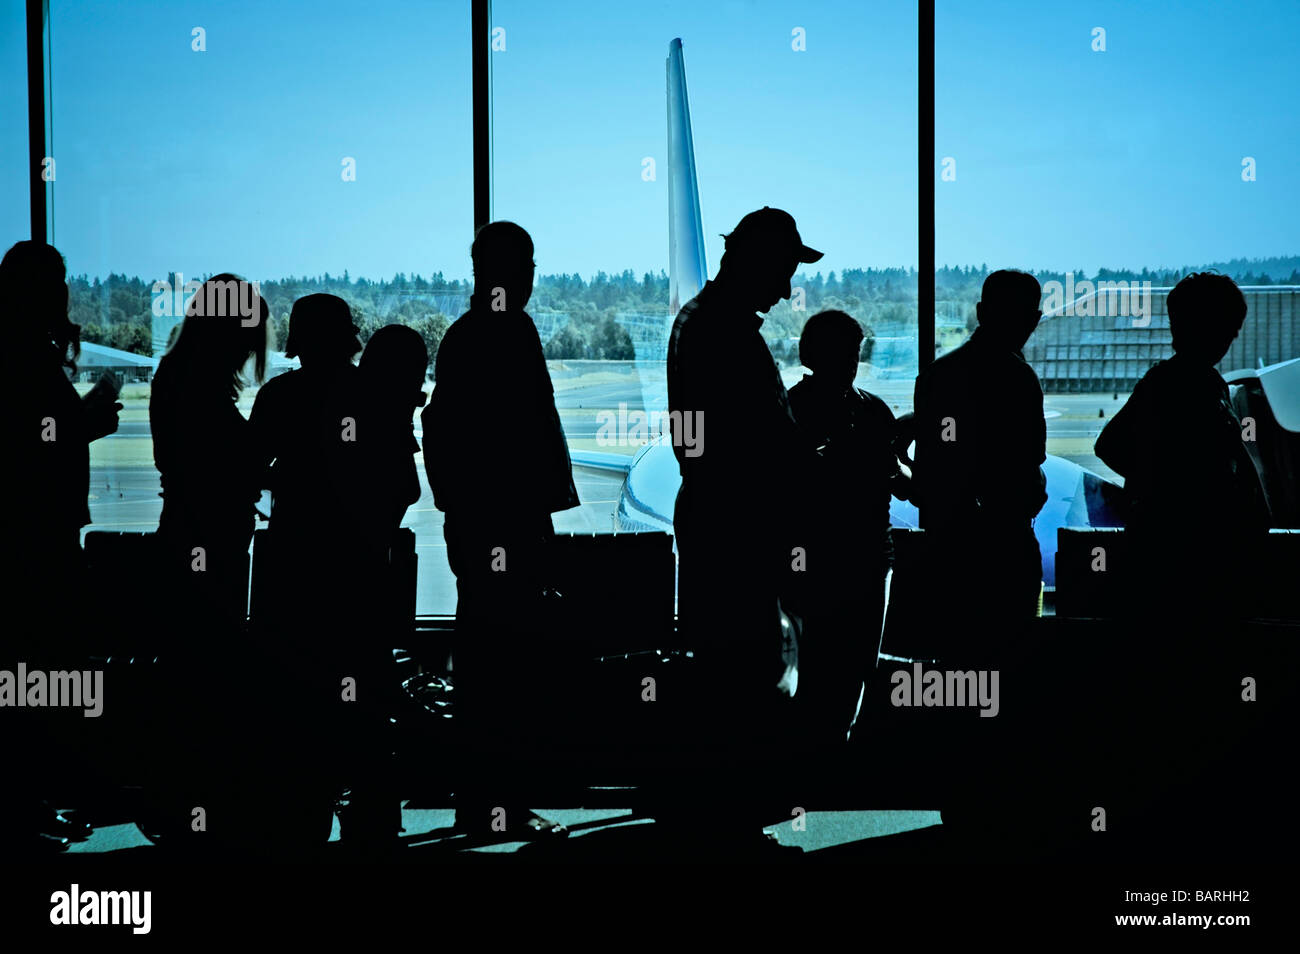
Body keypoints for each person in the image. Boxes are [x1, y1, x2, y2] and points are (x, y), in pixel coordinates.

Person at [665, 207, 821, 846]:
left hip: (721, 524)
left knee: (729, 669)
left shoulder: (704, 324)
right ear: (757, 262)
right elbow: (731, 448)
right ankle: (726, 821)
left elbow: (695, 442)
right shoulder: (721, 331)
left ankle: (719, 816)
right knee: (741, 671)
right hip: (737, 532)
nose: (787, 289)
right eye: (784, 270)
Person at [421, 221, 578, 840]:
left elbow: (446, 436)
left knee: (490, 663)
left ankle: (486, 802)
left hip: (486, 523)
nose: (532, 277)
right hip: (504, 525)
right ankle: (498, 805)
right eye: (528, 265)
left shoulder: (469, 337)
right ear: (508, 271)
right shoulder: (505, 333)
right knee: (504, 666)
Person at [5, 240, 119, 855]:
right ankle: (26, 808)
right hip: (37, 542)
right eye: (60, 283)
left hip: (32, 537)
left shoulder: (21, 354)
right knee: (42, 671)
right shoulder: (27, 358)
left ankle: (27, 806)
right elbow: (31, 447)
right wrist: (85, 423)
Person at [1095, 271, 1270, 620]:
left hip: (1181, 551)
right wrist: (1176, 486)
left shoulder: (1194, 382)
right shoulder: (1177, 382)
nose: (1230, 338)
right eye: (1228, 328)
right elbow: (1110, 445)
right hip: (1190, 556)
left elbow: (1112, 446)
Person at [787, 310, 908, 745]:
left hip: (855, 558)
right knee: (830, 662)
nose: (850, 362)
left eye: (853, 353)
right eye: (843, 353)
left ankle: (825, 750)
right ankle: (827, 751)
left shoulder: (792, 408)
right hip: (849, 558)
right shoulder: (869, 411)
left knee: (847, 662)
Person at [912, 269, 1047, 646]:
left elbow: (931, 470)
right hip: (1005, 545)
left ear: (980, 311)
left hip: (950, 546)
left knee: (958, 659)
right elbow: (1030, 458)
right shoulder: (1018, 378)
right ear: (1033, 320)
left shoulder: (938, 375)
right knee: (1010, 654)